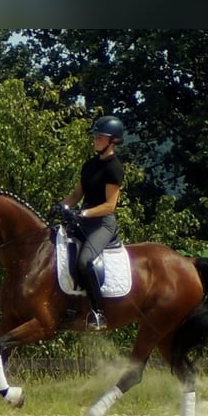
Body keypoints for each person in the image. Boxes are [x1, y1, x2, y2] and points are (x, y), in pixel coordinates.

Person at [58, 115, 125, 331]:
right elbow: (76, 194)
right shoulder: (89, 165)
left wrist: (83, 214)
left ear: (112, 140)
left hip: (102, 224)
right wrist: (61, 207)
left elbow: (109, 206)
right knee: (58, 251)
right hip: (83, 220)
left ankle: (98, 313)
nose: (95, 139)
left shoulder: (114, 168)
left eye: (100, 136)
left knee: (85, 261)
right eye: (95, 136)